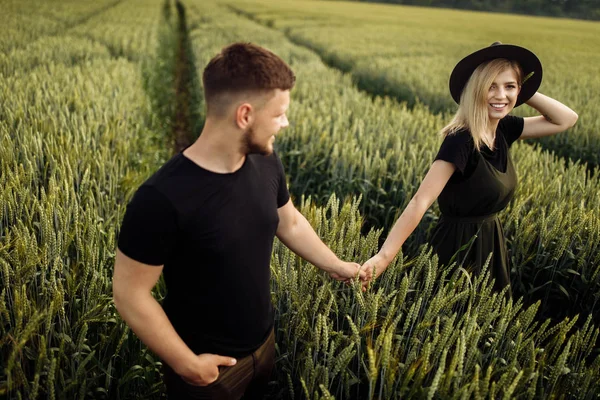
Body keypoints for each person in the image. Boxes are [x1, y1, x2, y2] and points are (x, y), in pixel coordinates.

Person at [112, 42, 365, 400]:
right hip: (208, 370)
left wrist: (337, 266)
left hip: (264, 346)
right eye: (279, 114)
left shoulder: (266, 162)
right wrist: (187, 364)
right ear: (244, 115)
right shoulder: (161, 198)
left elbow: (288, 222)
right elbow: (129, 294)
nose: (286, 123)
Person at [362, 42, 578, 295]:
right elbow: (420, 201)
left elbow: (566, 119)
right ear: (476, 90)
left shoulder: (504, 128)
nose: (500, 96)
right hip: (458, 250)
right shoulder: (460, 139)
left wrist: (522, 90)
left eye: (509, 86)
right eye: (490, 86)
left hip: (491, 245)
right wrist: (384, 257)